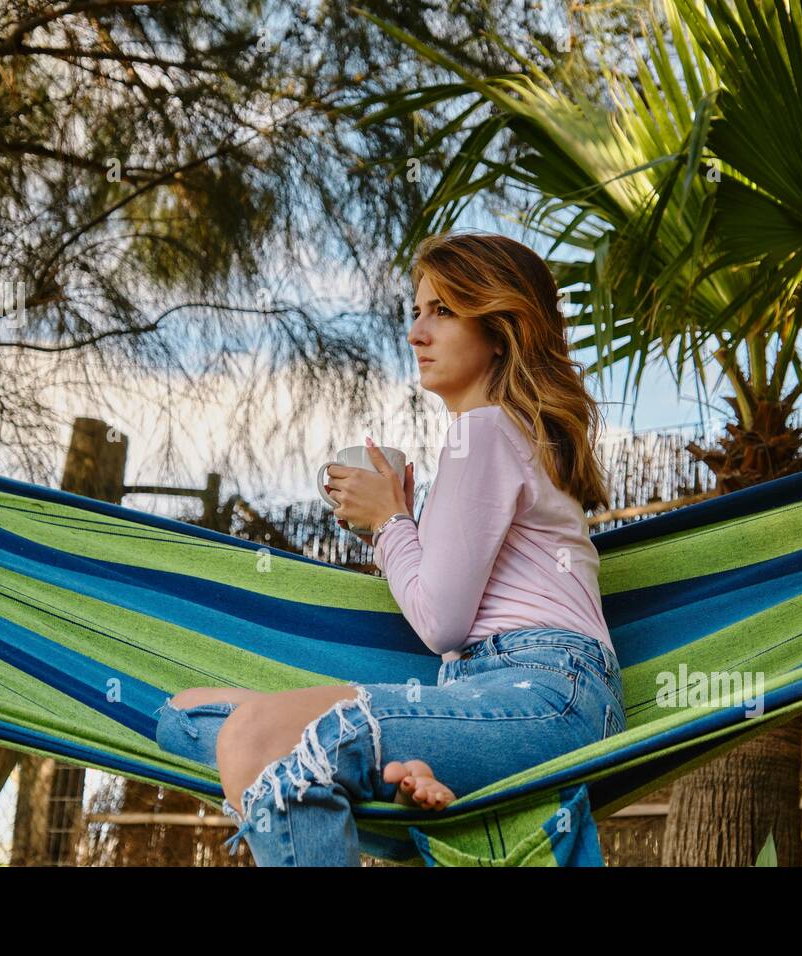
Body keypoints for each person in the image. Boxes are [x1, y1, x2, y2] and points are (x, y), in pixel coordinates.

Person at [153, 231, 624, 866]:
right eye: (417, 311)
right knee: (184, 717)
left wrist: (390, 524)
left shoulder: (482, 433)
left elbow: (441, 621)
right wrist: (400, 524)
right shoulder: (496, 437)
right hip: (486, 692)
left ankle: (359, 769)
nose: (416, 333)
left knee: (265, 738)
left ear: (501, 328)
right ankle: (400, 770)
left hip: (544, 691)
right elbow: (452, 596)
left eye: (443, 311)